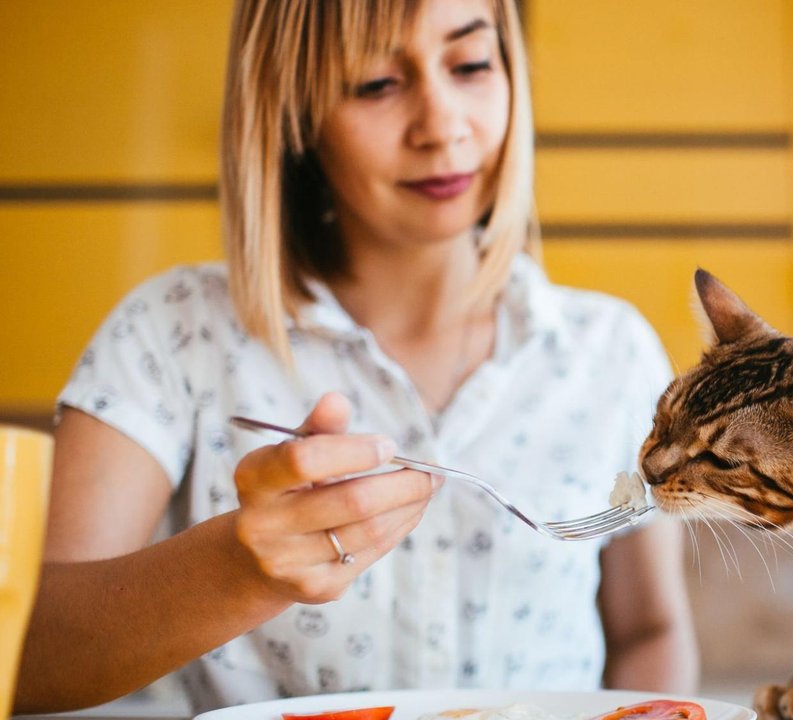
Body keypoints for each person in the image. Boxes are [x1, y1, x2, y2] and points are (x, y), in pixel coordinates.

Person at [14, 0, 698, 712]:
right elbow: (24, 655)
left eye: (470, 64)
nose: (442, 127)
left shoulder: (611, 351)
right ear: (291, 113)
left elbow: (649, 627)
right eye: (375, 83)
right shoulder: (172, 333)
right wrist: (240, 571)